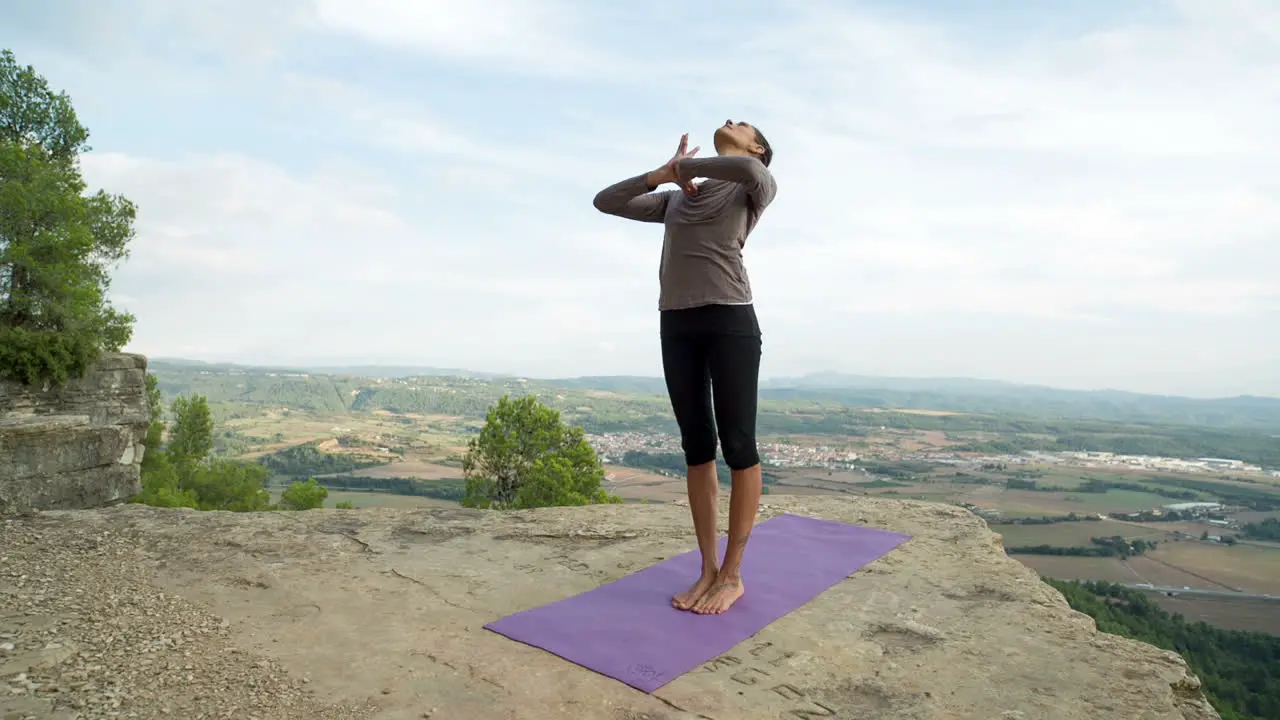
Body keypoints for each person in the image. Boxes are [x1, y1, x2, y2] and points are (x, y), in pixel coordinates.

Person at [592, 120, 776, 615]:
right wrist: (660, 176)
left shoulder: (753, 183)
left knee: (739, 446)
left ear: (758, 146)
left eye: (742, 124)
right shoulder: (678, 198)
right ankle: (708, 570)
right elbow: (606, 201)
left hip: (729, 319)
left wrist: (683, 167)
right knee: (696, 445)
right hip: (677, 323)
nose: (730, 123)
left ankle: (733, 575)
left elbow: (742, 166)